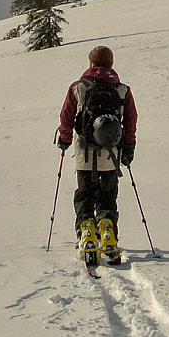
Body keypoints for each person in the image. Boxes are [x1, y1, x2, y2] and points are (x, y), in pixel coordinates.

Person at [56, 45, 138, 265]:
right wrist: (128, 148)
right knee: (108, 196)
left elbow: (66, 116)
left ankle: (87, 233)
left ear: (91, 63)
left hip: (84, 153)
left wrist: (64, 139)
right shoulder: (123, 90)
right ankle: (108, 233)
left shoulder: (78, 87)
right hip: (111, 154)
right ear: (111, 64)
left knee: (85, 194)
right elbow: (130, 121)